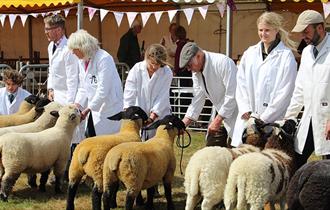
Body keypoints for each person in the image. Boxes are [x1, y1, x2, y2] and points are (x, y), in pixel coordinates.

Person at [231, 11, 298, 147]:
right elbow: (241, 83)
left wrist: (263, 119)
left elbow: (285, 92)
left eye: (267, 30)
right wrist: (245, 109)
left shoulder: (286, 56)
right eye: (260, 30)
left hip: (272, 120)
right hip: (248, 118)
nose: (263, 34)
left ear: (276, 30)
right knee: (244, 158)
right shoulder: (250, 53)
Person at [285, 10, 330, 169]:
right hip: (310, 117)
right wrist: (290, 116)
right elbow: (300, 88)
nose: (303, 36)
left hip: (327, 117)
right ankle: (292, 193)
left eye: (307, 32)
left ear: (320, 28)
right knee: (295, 162)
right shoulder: (306, 52)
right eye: (302, 33)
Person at [44, 14, 83, 182]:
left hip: (67, 94)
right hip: (56, 95)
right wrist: (50, 88)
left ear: (59, 30)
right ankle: (57, 169)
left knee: (70, 135)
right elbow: (51, 69)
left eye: (48, 29)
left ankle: (69, 170)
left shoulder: (69, 48)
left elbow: (73, 77)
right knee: (57, 134)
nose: (45, 32)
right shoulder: (50, 46)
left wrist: (71, 103)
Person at [179, 42, 238, 146]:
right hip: (220, 113)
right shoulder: (196, 73)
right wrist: (183, 124)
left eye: (189, 65)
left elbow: (232, 94)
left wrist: (218, 120)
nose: (189, 69)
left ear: (198, 56)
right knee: (211, 150)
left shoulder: (223, 62)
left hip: (237, 114)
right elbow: (197, 99)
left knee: (237, 152)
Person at [68, 29, 123, 136]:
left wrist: (88, 108)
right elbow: (83, 87)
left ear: (83, 47)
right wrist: (77, 104)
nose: (72, 52)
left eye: (74, 49)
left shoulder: (104, 59)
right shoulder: (82, 60)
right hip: (94, 109)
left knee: (108, 141)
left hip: (109, 107)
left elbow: (103, 90)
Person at [123, 43, 173, 140]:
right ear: (146, 58)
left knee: (159, 148)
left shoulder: (167, 72)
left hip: (160, 116)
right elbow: (129, 92)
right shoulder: (136, 69)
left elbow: (163, 96)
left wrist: (152, 117)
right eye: (152, 64)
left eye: (158, 64)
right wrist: (128, 112)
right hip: (138, 115)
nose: (154, 67)